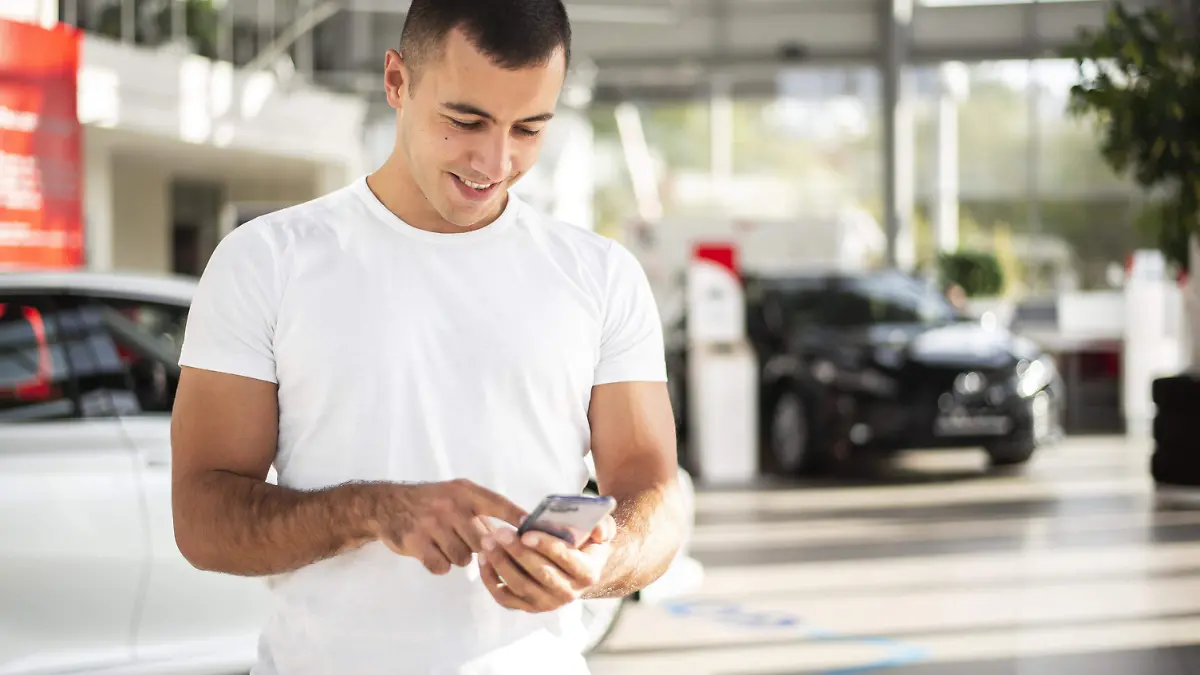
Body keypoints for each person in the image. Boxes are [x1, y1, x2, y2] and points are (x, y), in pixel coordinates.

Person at [168, 1, 685, 673]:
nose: (494, 160)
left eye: (528, 128)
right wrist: (370, 510)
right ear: (396, 82)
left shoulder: (600, 275)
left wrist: (600, 556)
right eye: (465, 120)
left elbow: (656, 496)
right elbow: (203, 516)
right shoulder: (265, 261)